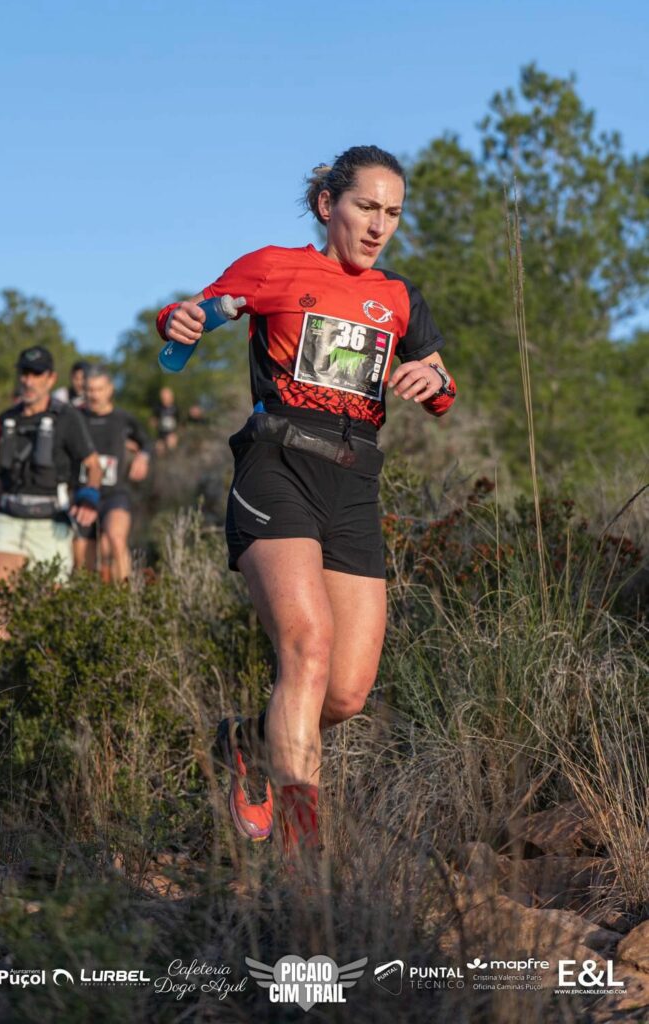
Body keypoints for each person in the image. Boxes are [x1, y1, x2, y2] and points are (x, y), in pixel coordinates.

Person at [155, 145, 457, 864]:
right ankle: (300, 858)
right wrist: (179, 321)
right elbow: (191, 312)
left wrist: (432, 381)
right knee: (307, 648)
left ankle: (247, 742)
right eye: (366, 207)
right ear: (328, 205)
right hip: (278, 467)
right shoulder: (274, 267)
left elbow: (441, 383)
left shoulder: (399, 297)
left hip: (354, 486)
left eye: (392, 213)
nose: (379, 226)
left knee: (345, 693)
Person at [0, 347, 101, 634]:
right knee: (0, 587)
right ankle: (2, 658)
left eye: (37, 374)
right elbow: (2, 476)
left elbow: (93, 465)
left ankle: (41, 660)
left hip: (50, 521)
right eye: (25, 373)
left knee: (51, 608)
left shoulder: (67, 417)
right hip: (9, 517)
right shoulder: (7, 418)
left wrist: (89, 497)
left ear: (51, 378)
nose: (29, 380)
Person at [73, 365, 151, 581]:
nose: (94, 395)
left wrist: (143, 457)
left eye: (99, 389)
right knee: (82, 563)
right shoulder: (75, 418)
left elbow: (146, 442)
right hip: (83, 495)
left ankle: (125, 595)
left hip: (114, 493)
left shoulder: (123, 419)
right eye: (89, 390)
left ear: (110, 389)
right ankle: (89, 596)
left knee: (116, 538)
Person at [152, 386, 179, 454]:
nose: (164, 398)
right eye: (162, 397)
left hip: (172, 433)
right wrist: (156, 423)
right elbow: (153, 421)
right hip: (161, 433)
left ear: (171, 397)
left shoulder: (176, 408)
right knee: (159, 448)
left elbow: (181, 423)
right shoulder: (158, 408)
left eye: (166, 396)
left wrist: (176, 433)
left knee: (171, 443)